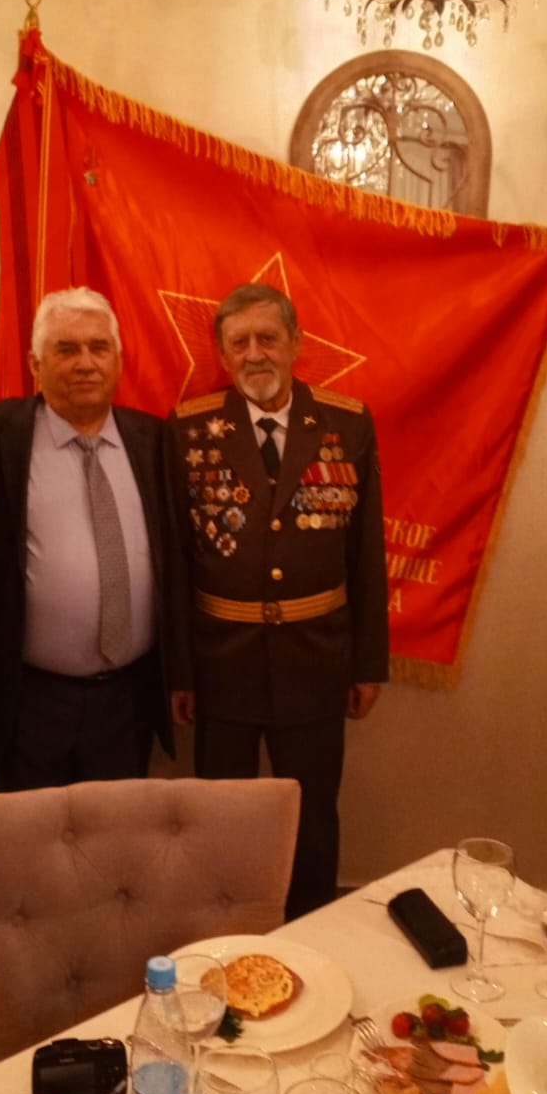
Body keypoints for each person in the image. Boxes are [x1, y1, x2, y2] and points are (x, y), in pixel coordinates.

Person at [168, 282, 389, 918]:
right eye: (239, 343)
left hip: (316, 658)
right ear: (222, 354)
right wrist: (181, 672)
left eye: (267, 338)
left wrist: (368, 664)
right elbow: (177, 562)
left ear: (295, 343)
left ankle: (312, 936)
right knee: (222, 818)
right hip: (222, 662)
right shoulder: (188, 429)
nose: (254, 354)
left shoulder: (347, 423)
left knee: (312, 817)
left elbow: (366, 554)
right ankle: (225, 939)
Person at [0, 287, 175, 786]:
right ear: (35, 363)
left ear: (119, 359)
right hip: (29, 702)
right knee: (29, 830)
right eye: (66, 349)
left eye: (99, 347)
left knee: (118, 831)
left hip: (129, 700)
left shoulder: (155, 440)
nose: (86, 363)